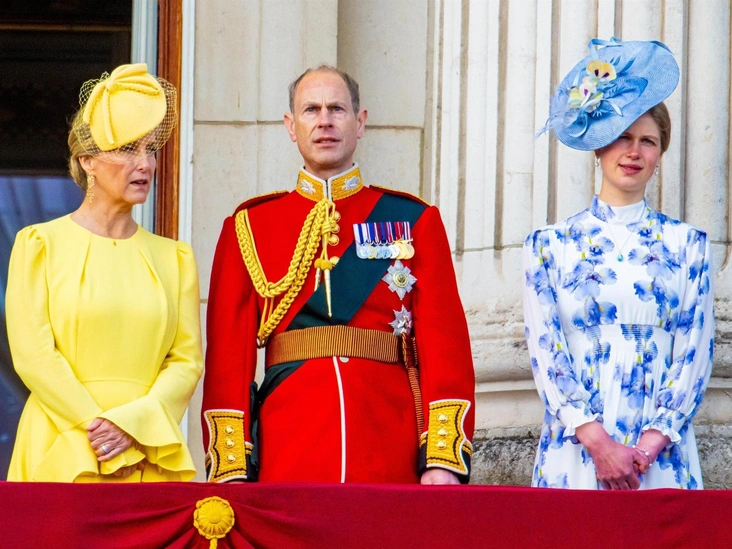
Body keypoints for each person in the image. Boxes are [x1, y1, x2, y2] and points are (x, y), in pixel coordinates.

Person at [201, 65, 475, 484]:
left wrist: (442, 458)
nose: (324, 120)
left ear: (360, 122)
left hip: (389, 440)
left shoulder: (413, 220)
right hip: (290, 446)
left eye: (337, 109)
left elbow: (445, 345)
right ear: (291, 126)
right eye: (311, 110)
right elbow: (227, 361)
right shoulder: (250, 226)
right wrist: (232, 467)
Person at [524, 38, 714, 489]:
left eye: (647, 141)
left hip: (660, 453)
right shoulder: (549, 245)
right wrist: (598, 443)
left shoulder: (688, 245)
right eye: (623, 137)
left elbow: (695, 351)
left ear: (659, 155)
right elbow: (546, 350)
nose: (634, 152)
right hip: (577, 446)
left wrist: (649, 445)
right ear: (598, 147)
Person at [5, 63, 203, 482]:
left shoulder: (175, 258)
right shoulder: (38, 244)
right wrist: (99, 427)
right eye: (128, 149)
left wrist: (133, 426)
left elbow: (186, 363)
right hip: (62, 444)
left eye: (150, 149)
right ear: (88, 161)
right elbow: (32, 355)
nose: (145, 163)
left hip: (147, 451)